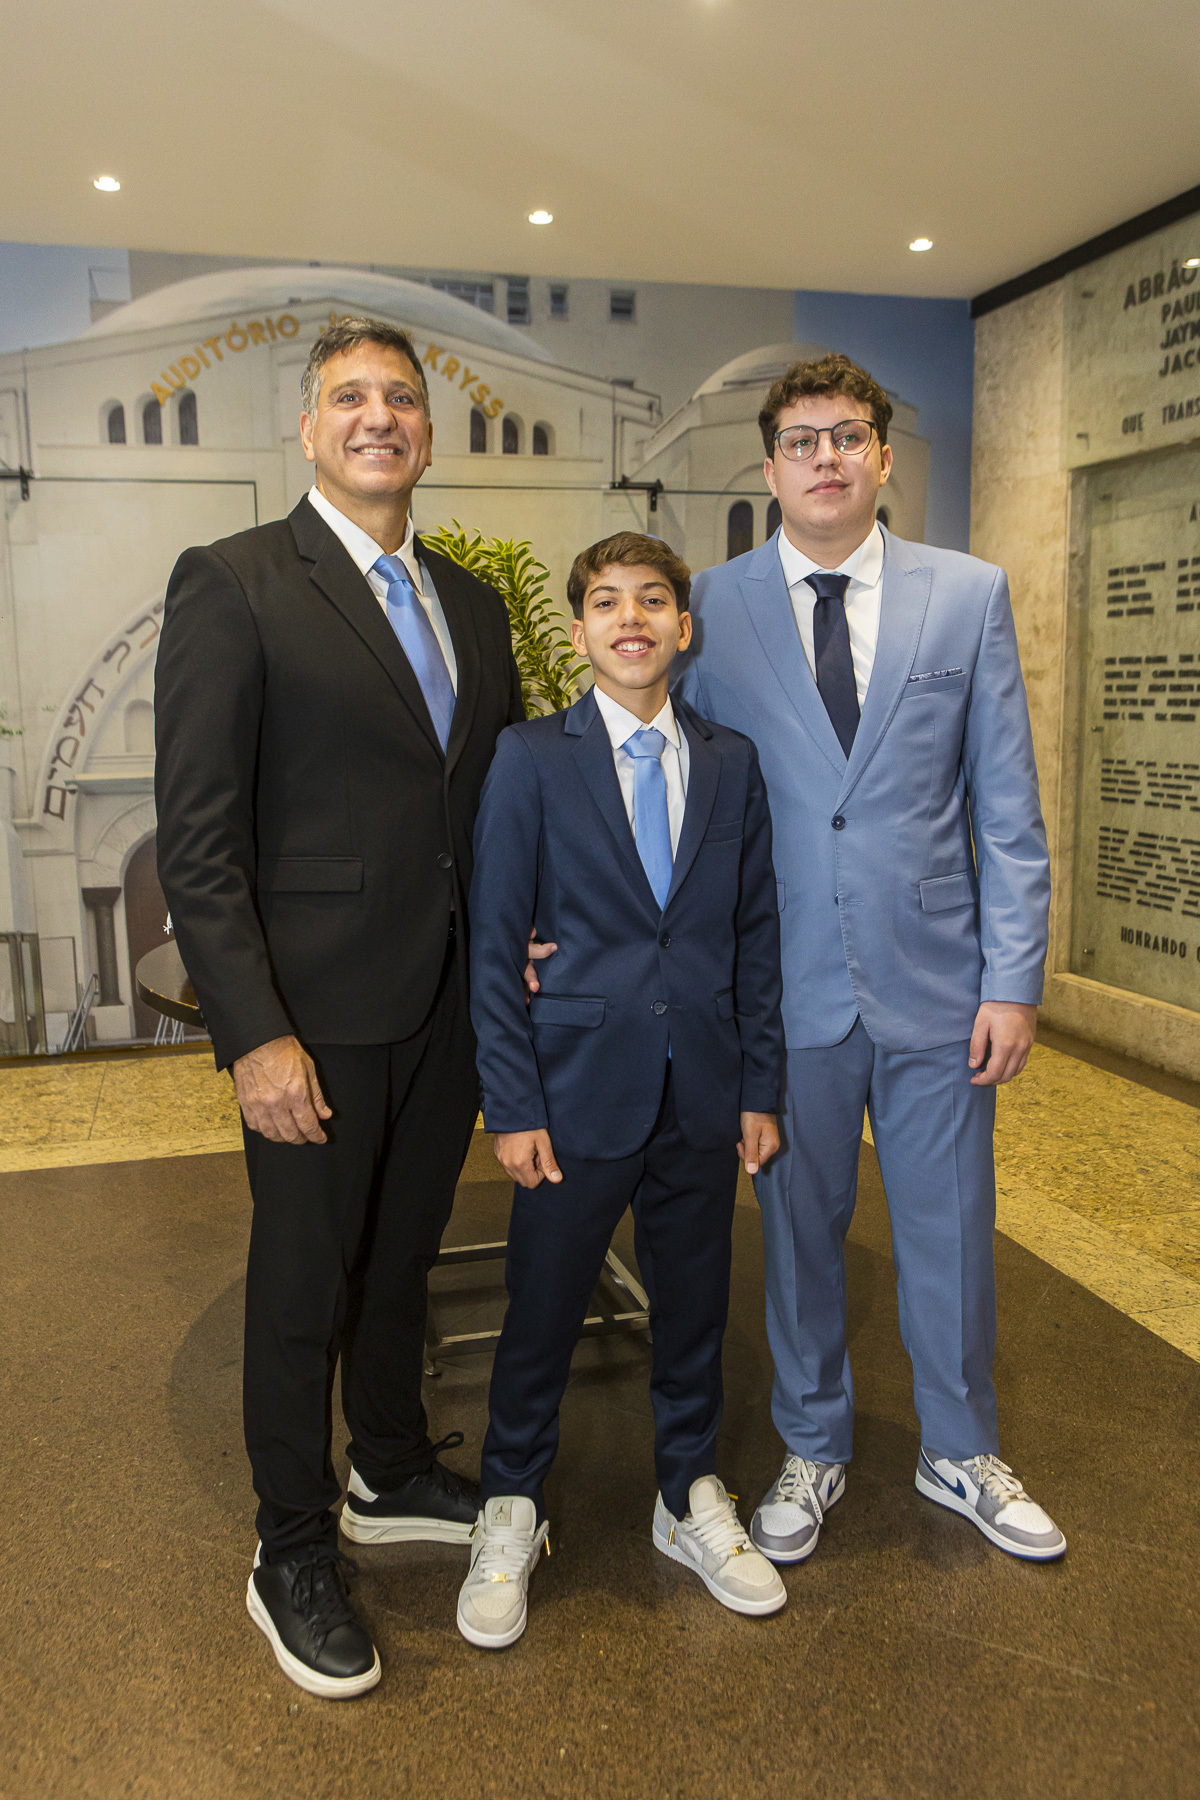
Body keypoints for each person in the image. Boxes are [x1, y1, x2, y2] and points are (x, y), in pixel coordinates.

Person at [154, 317, 525, 1699]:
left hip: (449, 1009)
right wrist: (253, 1033)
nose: (381, 417)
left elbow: (492, 804)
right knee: (304, 1279)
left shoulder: (471, 605)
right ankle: (292, 1546)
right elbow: (200, 842)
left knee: (403, 1253)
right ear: (308, 428)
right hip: (311, 1017)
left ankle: (388, 1465)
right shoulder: (237, 582)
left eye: (403, 398)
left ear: (428, 430)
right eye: (350, 397)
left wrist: (526, 940)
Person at [674, 353, 1066, 1565]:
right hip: (784, 987)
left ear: (884, 457)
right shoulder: (711, 605)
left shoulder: (968, 594)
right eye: (801, 440)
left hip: (941, 982)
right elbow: (680, 795)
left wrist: (1013, 980)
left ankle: (961, 1447)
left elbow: (1007, 806)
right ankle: (813, 1442)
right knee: (799, 1230)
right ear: (772, 467)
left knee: (951, 1226)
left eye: (848, 436)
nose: (826, 458)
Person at [459, 531, 788, 1649]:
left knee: (695, 1310)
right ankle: (512, 1505)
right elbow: (496, 945)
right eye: (607, 602)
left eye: (653, 600)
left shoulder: (733, 762)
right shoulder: (529, 759)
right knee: (542, 1314)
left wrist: (758, 1085)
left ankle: (688, 1494)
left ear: (683, 628)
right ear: (580, 631)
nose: (632, 619)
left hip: (702, 1092)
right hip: (571, 1095)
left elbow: (754, 936)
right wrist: (513, 1103)